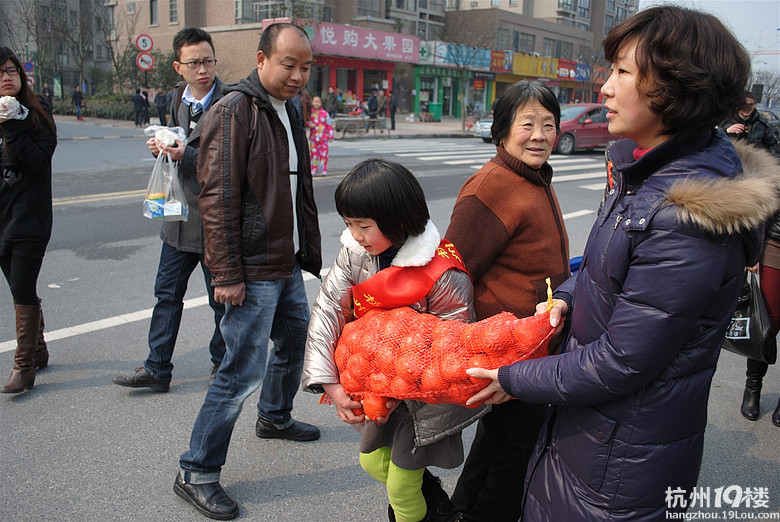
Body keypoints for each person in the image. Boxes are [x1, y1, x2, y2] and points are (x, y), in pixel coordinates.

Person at [465, 6, 779, 520]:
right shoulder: (645, 172)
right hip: (595, 430)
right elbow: (601, 269)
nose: (605, 88)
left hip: (618, 456)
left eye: (623, 72)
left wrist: (515, 377)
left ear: (675, 88)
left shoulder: (686, 216)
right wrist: (566, 298)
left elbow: (623, 360)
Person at [173, 23, 322, 520]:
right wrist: (227, 274)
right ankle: (196, 471)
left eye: (305, 66)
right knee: (239, 371)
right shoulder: (235, 110)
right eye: (288, 64)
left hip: (283, 262)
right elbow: (217, 198)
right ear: (261, 60)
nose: (298, 75)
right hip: (251, 268)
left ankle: (275, 417)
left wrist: (310, 250)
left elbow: (296, 186)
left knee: (294, 341)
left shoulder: (289, 108)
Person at [302, 158, 486, 522]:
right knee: (374, 462)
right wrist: (331, 384)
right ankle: (439, 509)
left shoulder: (443, 272)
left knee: (401, 488)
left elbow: (452, 349)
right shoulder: (355, 253)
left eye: (363, 225)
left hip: (424, 398)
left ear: (399, 219)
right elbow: (328, 311)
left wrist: (391, 387)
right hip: (378, 389)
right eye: (349, 224)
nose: (355, 234)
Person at [445, 80, 570, 522]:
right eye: (527, 124)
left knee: (500, 442)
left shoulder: (532, 175)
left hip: (532, 344)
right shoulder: (491, 187)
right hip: (509, 347)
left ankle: (462, 511)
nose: (539, 135)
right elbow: (453, 275)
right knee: (516, 450)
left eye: (549, 125)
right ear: (502, 131)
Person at [112, 27, 227, 393]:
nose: (202, 69)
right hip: (177, 219)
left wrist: (186, 154)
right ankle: (157, 367)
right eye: (193, 63)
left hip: (214, 219)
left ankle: (221, 363)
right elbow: (180, 139)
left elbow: (230, 161)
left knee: (220, 302)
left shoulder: (231, 103)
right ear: (179, 66)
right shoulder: (178, 98)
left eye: (207, 61)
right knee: (166, 294)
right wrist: (162, 147)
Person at [0, 47, 57, 393]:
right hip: (0, 220)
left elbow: (39, 160)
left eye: (11, 70)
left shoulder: (38, 114)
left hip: (29, 220)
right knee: (20, 289)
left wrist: (13, 124)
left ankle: (23, 368)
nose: (6, 77)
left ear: (21, 76)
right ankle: (38, 348)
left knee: (21, 289)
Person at [307, 95, 333, 177]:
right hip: (313, 138)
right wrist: (309, 124)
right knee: (314, 155)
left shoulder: (325, 114)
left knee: (323, 155)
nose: (317, 103)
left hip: (323, 139)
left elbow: (329, 125)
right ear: (312, 103)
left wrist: (330, 135)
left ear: (321, 103)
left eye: (318, 102)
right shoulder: (310, 113)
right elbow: (306, 121)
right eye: (315, 101)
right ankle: (314, 168)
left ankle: (323, 169)